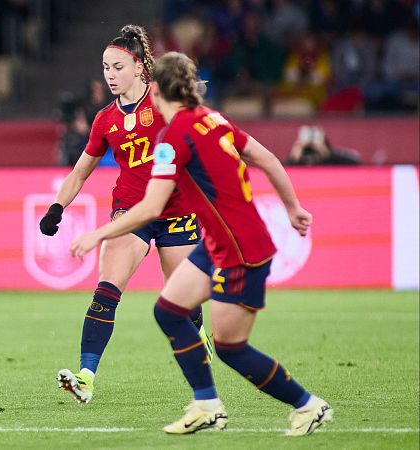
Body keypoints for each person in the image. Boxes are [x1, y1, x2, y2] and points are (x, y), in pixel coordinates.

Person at [70, 52, 332, 436]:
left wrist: (98, 234)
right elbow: (270, 159)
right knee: (169, 311)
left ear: (156, 89)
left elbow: (151, 208)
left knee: (229, 347)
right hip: (219, 241)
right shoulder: (215, 119)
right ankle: (207, 405)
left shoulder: (170, 139)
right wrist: (293, 208)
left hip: (238, 249)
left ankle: (308, 405)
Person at [41, 25, 211, 405]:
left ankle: (199, 331)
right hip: (131, 212)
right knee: (106, 290)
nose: (110, 75)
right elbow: (80, 171)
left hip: (177, 209)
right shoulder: (104, 120)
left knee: (181, 302)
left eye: (118, 67)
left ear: (139, 67)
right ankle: (85, 376)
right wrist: (57, 207)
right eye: (105, 68)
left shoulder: (165, 102)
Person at [287, 125, 360, 166]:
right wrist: (294, 158)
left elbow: (354, 162)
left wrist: (328, 154)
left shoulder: (329, 153)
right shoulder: (300, 154)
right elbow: (284, 169)